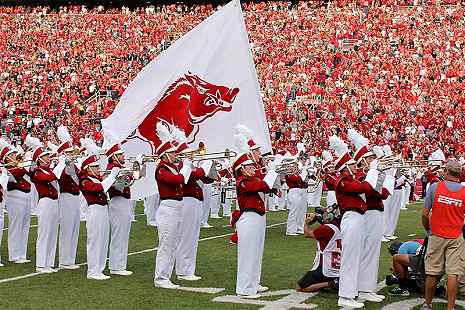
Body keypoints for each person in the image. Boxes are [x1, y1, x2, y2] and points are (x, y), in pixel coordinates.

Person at [331, 138, 379, 309]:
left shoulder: (350, 179)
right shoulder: (343, 181)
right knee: (350, 257)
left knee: (355, 256)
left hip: (357, 218)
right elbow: (365, 188)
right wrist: (372, 171)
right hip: (351, 218)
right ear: (344, 167)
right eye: (352, 165)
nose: (355, 167)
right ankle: (345, 295)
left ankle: (351, 293)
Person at [421, 159, 465, 310]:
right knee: (453, 273)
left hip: (437, 234)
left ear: (446, 172)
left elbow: (425, 214)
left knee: (433, 272)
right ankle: (450, 308)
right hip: (455, 235)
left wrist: (428, 230)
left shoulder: (435, 187)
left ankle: (427, 304)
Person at [232, 152, 277, 299]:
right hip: (249, 218)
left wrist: (277, 174)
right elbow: (261, 185)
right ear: (241, 168)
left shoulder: (251, 179)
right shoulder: (242, 181)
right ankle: (244, 288)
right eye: (249, 165)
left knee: (257, 253)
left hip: (258, 217)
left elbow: (270, 187)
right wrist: (271, 172)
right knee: (248, 253)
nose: (253, 167)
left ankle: (254, 283)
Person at [153, 123, 193, 289]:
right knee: (166, 245)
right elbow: (178, 180)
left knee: (172, 245)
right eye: (172, 152)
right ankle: (161, 279)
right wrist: (186, 166)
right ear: (164, 155)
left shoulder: (173, 167)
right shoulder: (161, 169)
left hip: (176, 208)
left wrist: (188, 166)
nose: (175, 154)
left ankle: (166, 277)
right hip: (167, 209)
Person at [175, 139, 216, 281]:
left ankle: (188, 269)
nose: (193, 154)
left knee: (193, 235)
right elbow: (195, 176)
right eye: (189, 153)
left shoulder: (190, 166)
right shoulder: (181, 166)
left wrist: (212, 168)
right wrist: (205, 164)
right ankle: (183, 270)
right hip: (187, 200)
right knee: (186, 235)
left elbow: (207, 179)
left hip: (195, 201)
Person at [80, 154, 119, 280]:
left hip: (103, 209)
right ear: (88, 168)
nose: (98, 168)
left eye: (97, 166)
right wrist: (112, 175)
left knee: (103, 240)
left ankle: (99, 269)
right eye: (95, 166)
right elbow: (98, 188)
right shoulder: (85, 180)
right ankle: (92, 271)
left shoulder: (98, 178)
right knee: (95, 241)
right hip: (94, 209)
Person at [30, 146, 65, 273]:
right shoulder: (37, 172)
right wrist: (60, 164)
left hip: (55, 202)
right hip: (45, 202)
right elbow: (49, 178)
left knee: (52, 233)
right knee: (44, 233)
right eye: (45, 156)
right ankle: (40, 264)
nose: (48, 157)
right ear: (39, 159)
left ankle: (48, 263)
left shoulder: (49, 170)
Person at [1, 144, 32, 264]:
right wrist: (24, 163)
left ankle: (21, 254)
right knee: (16, 226)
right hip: (15, 197)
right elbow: (18, 173)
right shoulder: (6, 168)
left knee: (24, 227)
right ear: (7, 158)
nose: (15, 156)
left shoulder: (17, 165)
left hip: (26, 196)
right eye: (12, 154)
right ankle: (14, 255)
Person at [296, 211, 341, 293]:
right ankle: (334, 280)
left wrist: (307, 223)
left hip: (325, 266)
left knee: (300, 287)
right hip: (336, 265)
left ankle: (331, 284)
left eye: (326, 213)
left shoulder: (326, 228)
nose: (323, 214)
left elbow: (307, 234)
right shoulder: (339, 226)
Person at [106, 143, 133, 276]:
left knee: (124, 234)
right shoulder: (112, 169)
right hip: (117, 200)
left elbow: (133, 178)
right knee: (119, 234)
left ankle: (120, 264)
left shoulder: (119, 168)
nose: (124, 156)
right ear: (114, 157)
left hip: (124, 201)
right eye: (121, 154)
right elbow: (115, 185)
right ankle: (116, 266)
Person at [56, 133, 81, 270]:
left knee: (74, 228)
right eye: (70, 152)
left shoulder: (73, 165)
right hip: (66, 197)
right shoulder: (61, 167)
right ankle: (64, 260)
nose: (73, 153)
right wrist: (66, 162)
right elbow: (66, 175)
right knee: (67, 228)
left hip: (75, 196)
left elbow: (79, 176)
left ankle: (71, 259)